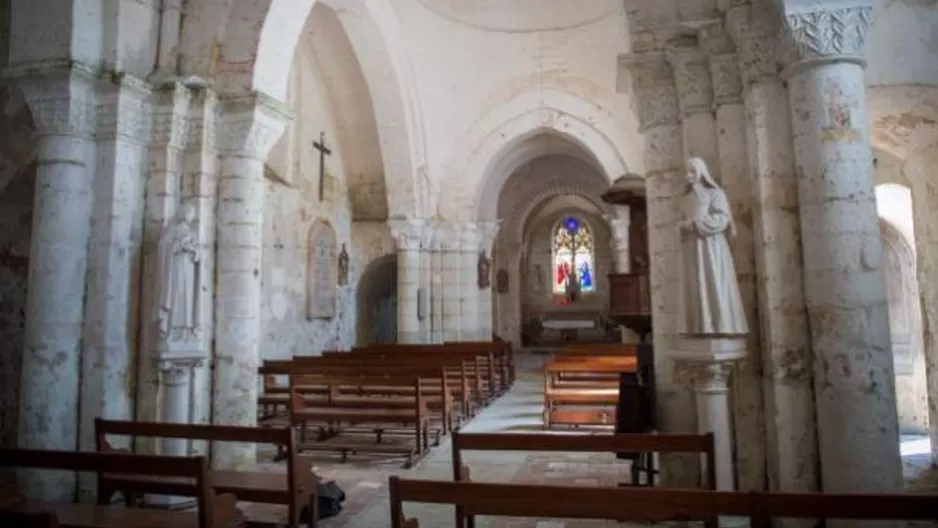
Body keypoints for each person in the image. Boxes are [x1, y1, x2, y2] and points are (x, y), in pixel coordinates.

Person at [678, 157, 747, 335]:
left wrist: (696, 224)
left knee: (714, 280)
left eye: (692, 171)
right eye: (687, 171)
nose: (688, 175)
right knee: (694, 283)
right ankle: (698, 326)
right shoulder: (686, 199)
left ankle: (720, 325)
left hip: (711, 246)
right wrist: (682, 226)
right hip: (692, 247)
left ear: (701, 172)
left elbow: (723, 219)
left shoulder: (715, 194)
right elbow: (680, 220)